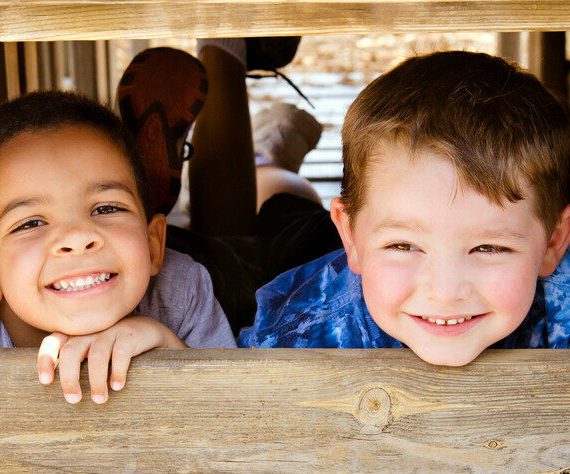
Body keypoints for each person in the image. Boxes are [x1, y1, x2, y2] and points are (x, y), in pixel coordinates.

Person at [238, 51, 570, 367]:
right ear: (350, 237)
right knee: (278, 195)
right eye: (403, 245)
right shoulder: (294, 335)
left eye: (489, 247)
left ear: (554, 241)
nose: (444, 292)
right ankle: (271, 156)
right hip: (301, 245)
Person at [0, 91, 236, 404]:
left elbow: (238, 412)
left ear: (153, 246)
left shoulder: (179, 291)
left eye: (106, 208)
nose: (77, 237)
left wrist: (172, 350)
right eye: (30, 224)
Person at [117, 42, 343, 334]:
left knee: (272, 231)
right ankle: (270, 150)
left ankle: (267, 149)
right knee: (283, 213)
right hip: (295, 270)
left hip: (223, 275)